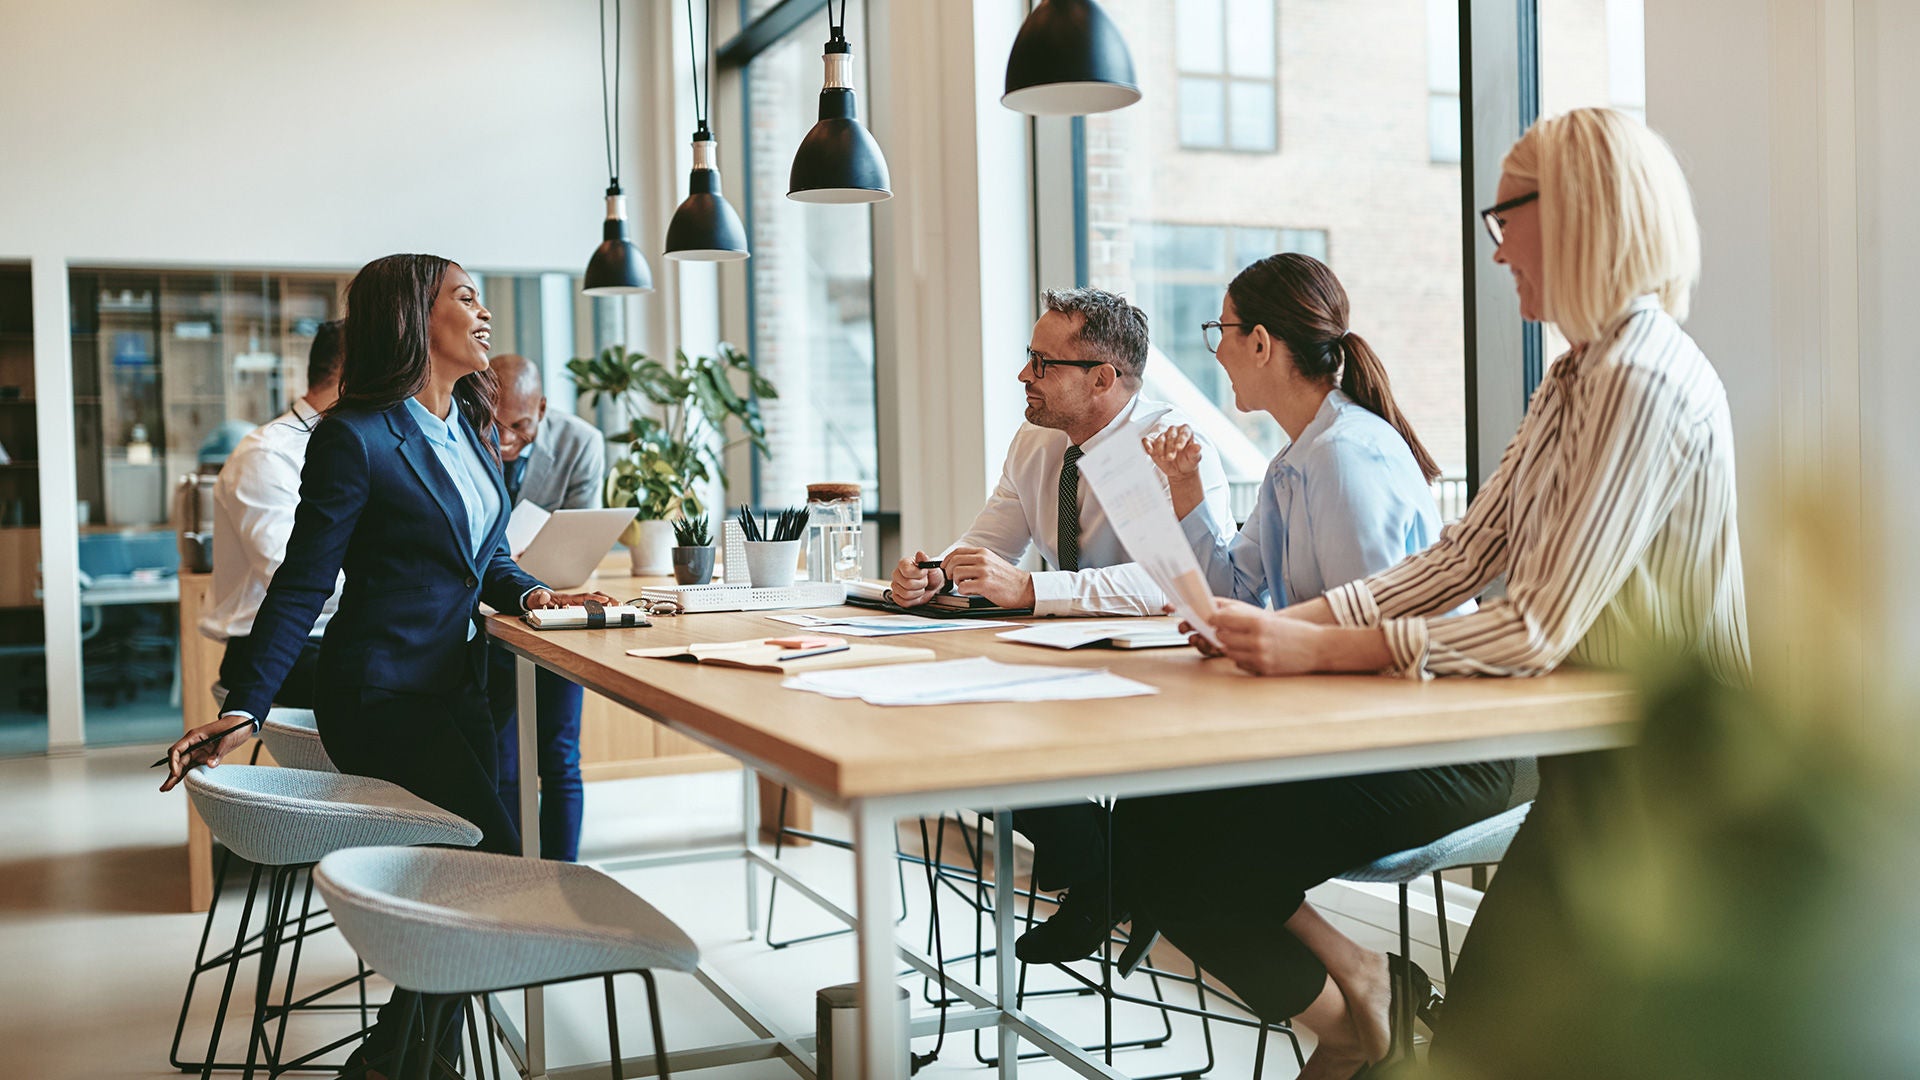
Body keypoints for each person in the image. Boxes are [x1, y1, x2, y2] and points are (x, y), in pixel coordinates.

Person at [1172, 108, 1749, 1077]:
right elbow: (1464, 554)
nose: (1496, 253)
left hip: (1673, 786)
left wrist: (1315, 646)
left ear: (1569, 213)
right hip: (1596, 765)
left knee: (1494, 1039)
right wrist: (1279, 627)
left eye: (1502, 219)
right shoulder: (1576, 375)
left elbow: (1532, 627)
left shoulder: (1642, 379)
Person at [159, 254, 610, 1079]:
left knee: (470, 873)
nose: (482, 315)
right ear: (412, 319)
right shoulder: (355, 437)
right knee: (500, 863)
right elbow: (303, 579)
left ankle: (407, 1061)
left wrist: (534, 593)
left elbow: (482, 559)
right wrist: (246, 704)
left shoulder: (472, 429)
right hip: (383, 697)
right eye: (464, 299)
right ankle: (397, 1061)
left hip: (454, 691)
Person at [1102, 252, 1511, 1079]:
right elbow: (1236, 594)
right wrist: (1188, 497)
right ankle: (1361, 991)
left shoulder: (1347, 456)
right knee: (1147, 823)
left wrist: (1269, 644)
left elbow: (1376, 630)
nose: (1213, 349)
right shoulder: (1297, 458)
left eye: (1220, 330)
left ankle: (1360, 1011)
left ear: (1261, 342)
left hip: (1443, 746)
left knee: (1180, 849)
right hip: (1362, 729)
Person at [887, 287, 1236, 966]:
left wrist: (1033, 589)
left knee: (989, 721)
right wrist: (934, 574)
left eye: (1043, 363)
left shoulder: (1171, 446)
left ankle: (1105, 871)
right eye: (1029, 358)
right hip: (1067, 659)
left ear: (1103, 379)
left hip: (1164, 675)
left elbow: (1177, 581)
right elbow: (986, 549)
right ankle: (1102, 863)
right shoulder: (1035, 443)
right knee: (938, 719)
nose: (1024, 375)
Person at [485, 352, 607, 861]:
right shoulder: (468, 437)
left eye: (521, 426)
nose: (507, 441)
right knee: (503, 757)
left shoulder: (581, 444)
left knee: (558, 754)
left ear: (543, 408)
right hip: (488, 620)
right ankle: (513, 882)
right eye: (496, 425)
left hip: (555, 613)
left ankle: (563, 878)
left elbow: (579, 540)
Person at [197, 319, 346, 710]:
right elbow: (291, 576)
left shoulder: (349, 446)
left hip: (335, 636)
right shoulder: (267, 455)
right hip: (273, 644)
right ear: (349, 375)